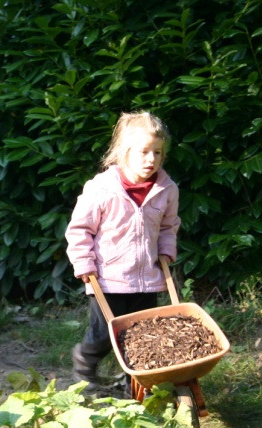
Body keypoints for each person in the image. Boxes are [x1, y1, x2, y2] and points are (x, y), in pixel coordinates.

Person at [65, 111, 180, 388]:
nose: (151, 159)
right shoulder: (102, 189)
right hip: (108, 279)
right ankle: (84, 368)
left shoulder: (166, 189)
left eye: (158, 152)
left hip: (147, 279)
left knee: (143, 335)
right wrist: (83, 263)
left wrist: (166, 252)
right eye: (143, 152)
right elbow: (80, 229)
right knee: (106, 334)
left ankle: (136, 385)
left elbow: (168, 226)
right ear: (124, 152)